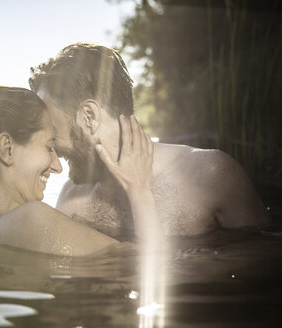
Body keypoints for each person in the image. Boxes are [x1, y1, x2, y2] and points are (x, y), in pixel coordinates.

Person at [26, 42, 271, 237]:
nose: (53, 156)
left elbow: (263, 269)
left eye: (52, 130)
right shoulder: (71, 200)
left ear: (89, 116)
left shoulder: (211, 173)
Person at [0, 86, 162, 256]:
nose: (58, 166)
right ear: (7, 148)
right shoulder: (32, 219)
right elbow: (152, 262)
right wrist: (140, 191)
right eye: (49, 146)